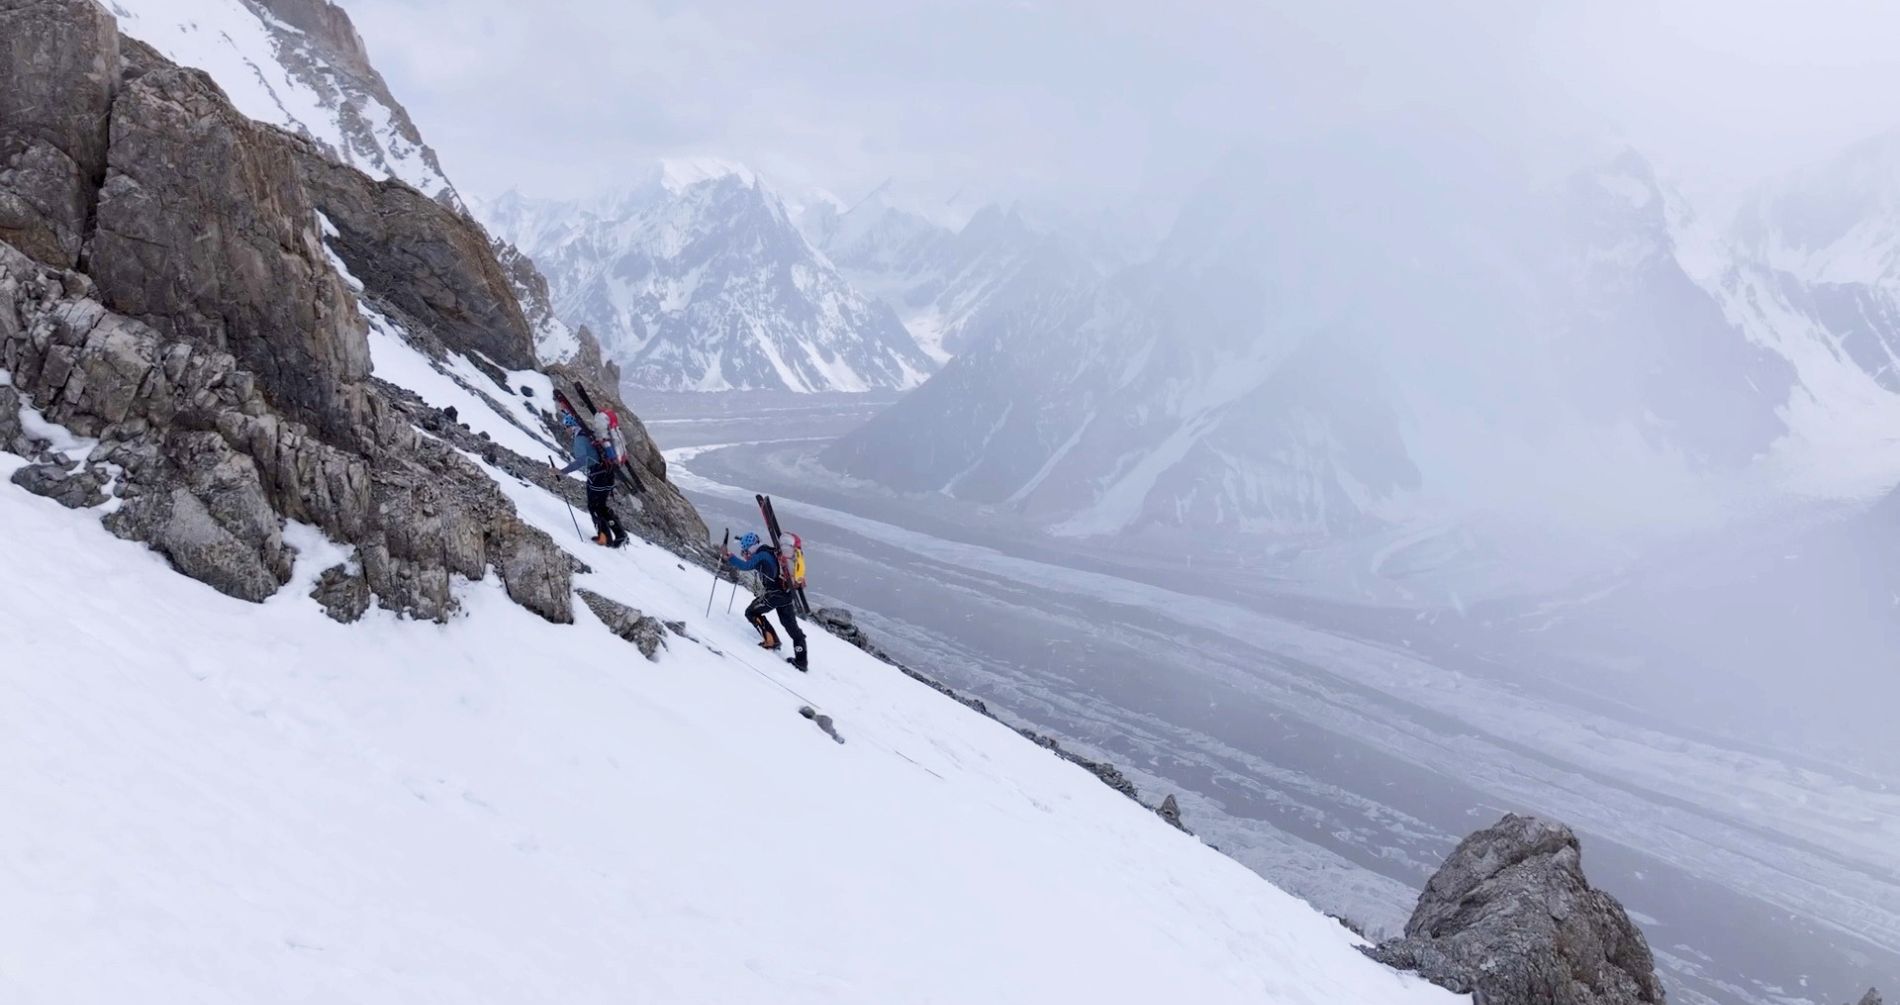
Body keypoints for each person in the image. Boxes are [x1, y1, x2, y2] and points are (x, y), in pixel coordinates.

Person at [726, 531, 808, 671]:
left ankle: (771, 641)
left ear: (750, 548)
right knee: (791, 627)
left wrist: (731, 557)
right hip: (786, 594)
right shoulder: (769, 551)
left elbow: (746, 566)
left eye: (744, 551)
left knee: (751, 612)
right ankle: (801, 661)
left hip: (774, 595)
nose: (744, 554)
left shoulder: (761, 555)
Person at [553, 412, 628, 548]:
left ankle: (604, 537)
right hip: (608, 473)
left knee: (594, 506)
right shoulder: (589, 435)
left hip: (597, 475)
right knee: (601, 506)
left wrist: (562, 471)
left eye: (566, 427)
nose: (565, 430)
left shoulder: (580, 439)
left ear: (571, 426)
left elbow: (581, 461)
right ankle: (619, 534)